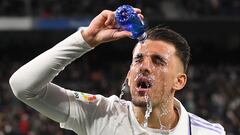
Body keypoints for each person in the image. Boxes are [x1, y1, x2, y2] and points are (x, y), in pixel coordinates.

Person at [9, 8, 225, 135]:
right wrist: (85, 40)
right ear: (129, 74)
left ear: (179, 81)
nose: (145, 66)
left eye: (158, 61)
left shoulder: (208, 133)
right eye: (138, 59)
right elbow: (24, 87)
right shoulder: (101, 114)